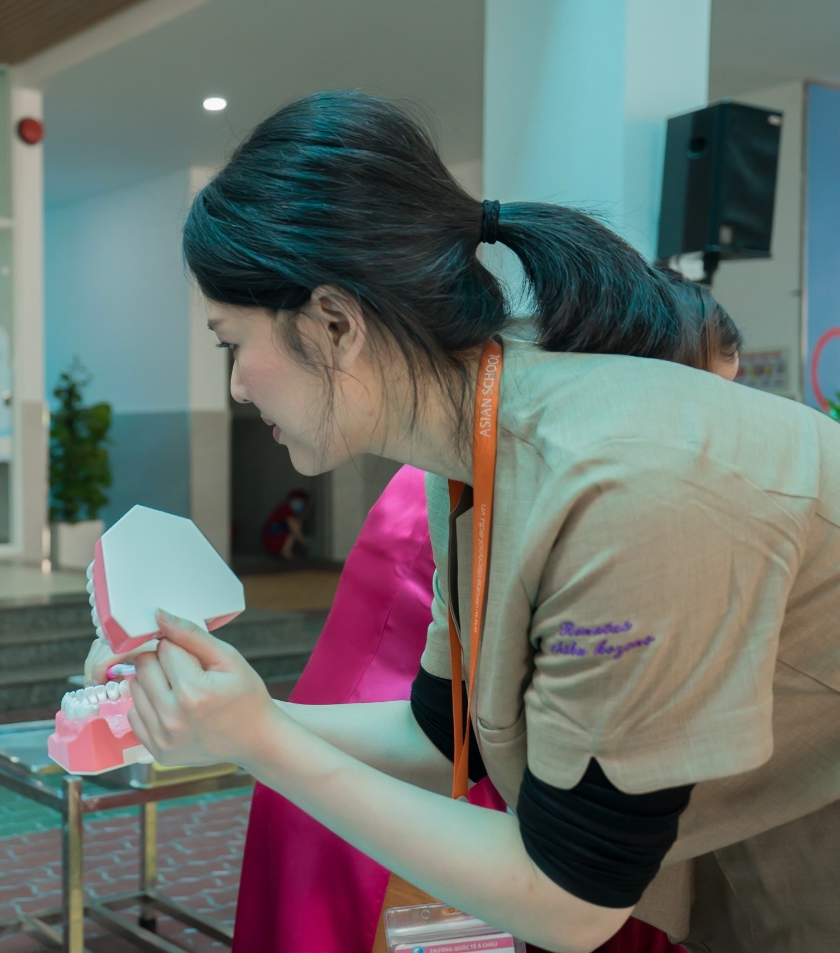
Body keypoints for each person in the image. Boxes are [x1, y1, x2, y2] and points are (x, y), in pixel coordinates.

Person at [116, 91, 839, 953]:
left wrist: (261, 738)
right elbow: (435, 725)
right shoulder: (468, 452)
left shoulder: (623, 486)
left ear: (335, 323)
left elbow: (571, 900)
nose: (235, 386)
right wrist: (222, 708)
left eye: (230, 342)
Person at [261, 488, 311, 560]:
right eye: (297, 500)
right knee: (295, 526)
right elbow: (294, 528)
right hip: (273, 538)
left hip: (276, 536)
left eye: (301, 501)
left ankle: (286, 552)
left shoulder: (291, 511)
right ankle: (286, 552)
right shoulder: (285, 509)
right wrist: (305, 542)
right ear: (291, 500)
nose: (299, 503)